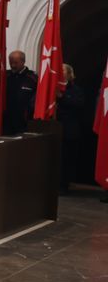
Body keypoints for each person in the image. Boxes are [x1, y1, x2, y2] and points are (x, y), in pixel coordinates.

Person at [56, 64, 86, 193]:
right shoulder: (51, 87)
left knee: (66, 159)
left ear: (69, 74)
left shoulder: (76, 90)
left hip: (69, 130)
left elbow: (79, 105)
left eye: (63, 71)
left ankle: (64, 185)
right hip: (54, 129)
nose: (60, 73)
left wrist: (62, 97)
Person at [4, 50, 38, 136]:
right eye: (11, 62)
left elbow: (37, 101)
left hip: (25, 122)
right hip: (6, 122)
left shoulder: (33, 78)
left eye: (16, 63)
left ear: (23, 61)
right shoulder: (5, 76)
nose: (13, 65)